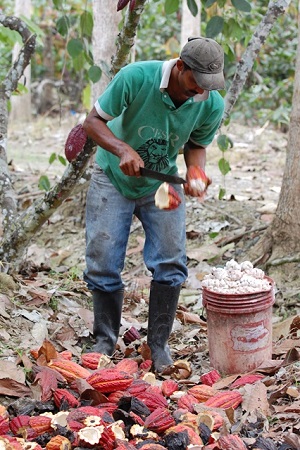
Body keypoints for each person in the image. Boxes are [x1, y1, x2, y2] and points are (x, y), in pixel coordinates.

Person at [82, 36, 225, 372]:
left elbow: (197, 143)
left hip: (162, 183)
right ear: (179, 67)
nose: (201, 92)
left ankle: (158, 345)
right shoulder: (136, 77)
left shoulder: (210, 103)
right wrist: (122, 150)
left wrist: (195, 170)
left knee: (171, 261)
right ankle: (105, 337)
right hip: (112, 178)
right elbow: (92, 122)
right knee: (103, 259)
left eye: (208, 86)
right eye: (196, 83)